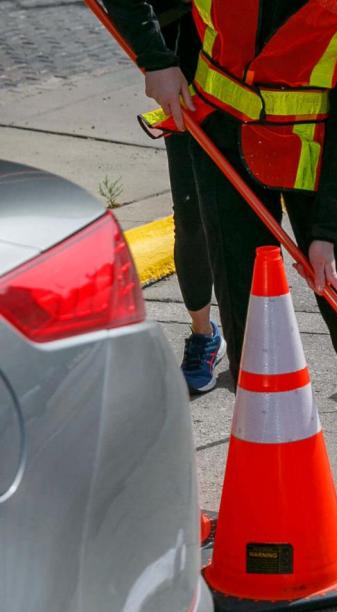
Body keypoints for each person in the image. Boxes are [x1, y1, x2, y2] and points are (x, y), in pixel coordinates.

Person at [104, 0, 337, 542]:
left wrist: (329, 232)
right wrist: (155, 59)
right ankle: (269, 472)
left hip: (318, 153)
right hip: (225, 143)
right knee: (246, 320)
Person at [111, 1, 226, 393]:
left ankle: (263, 333)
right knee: (193, 210)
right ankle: (203, 334)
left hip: (251, 44)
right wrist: (156, 58)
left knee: (255, 206)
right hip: (183, 48)